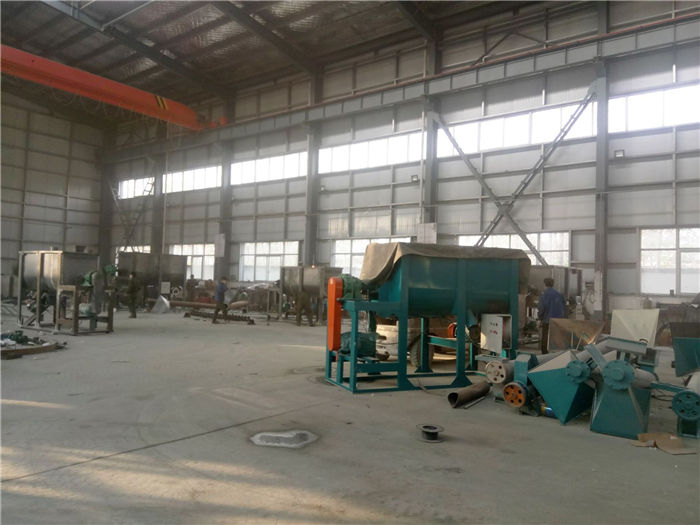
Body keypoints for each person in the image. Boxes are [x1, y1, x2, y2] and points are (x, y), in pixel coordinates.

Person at [538, 277, 566, 354]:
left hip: (548, 320)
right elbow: (564, 307)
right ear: (553, 284)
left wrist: (539, 318)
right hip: (558, 320)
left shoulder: (544, 295)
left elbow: (541, 308)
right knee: (557, 338)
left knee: (545, 337)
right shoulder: (559, 295)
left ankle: (545, 354)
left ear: (544, 284)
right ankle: (556, 353)